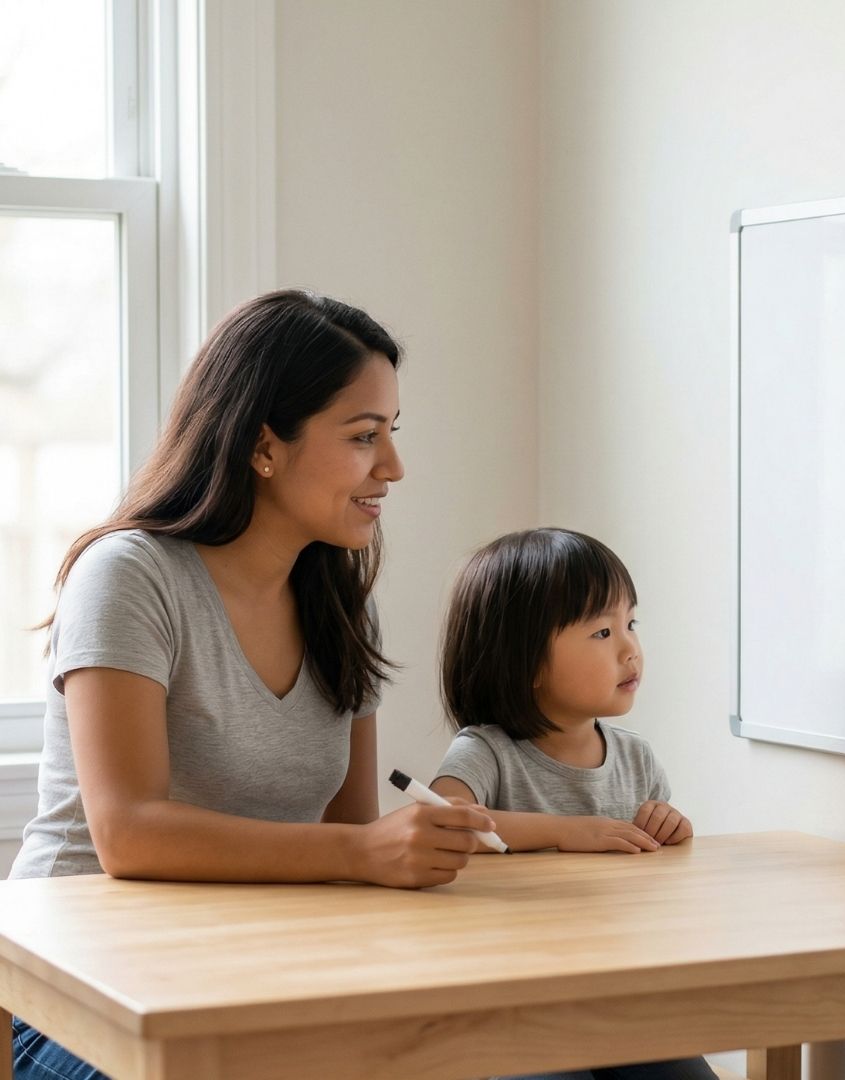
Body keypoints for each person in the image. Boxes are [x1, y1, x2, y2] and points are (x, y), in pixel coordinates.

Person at [9, 289, 495, 1079]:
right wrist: (362, 852)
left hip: (250, 977)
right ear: (265, 446)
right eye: (365, 436)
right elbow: (128, 833)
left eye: (392, 434)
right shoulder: (128, 577)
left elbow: (350, 842)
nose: (394, 468)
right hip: (75, 995)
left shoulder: (339, 609)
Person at [431, 527, 709, 1080]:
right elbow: (442, 820)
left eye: (631, 623)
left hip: (622, 997)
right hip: (514, 1009)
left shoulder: (636, 759)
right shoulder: (487, 751)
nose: (630, 648)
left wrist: (670, 828)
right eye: (603, 631)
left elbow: (659, 880)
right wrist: (567, 831)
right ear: (528, 662)